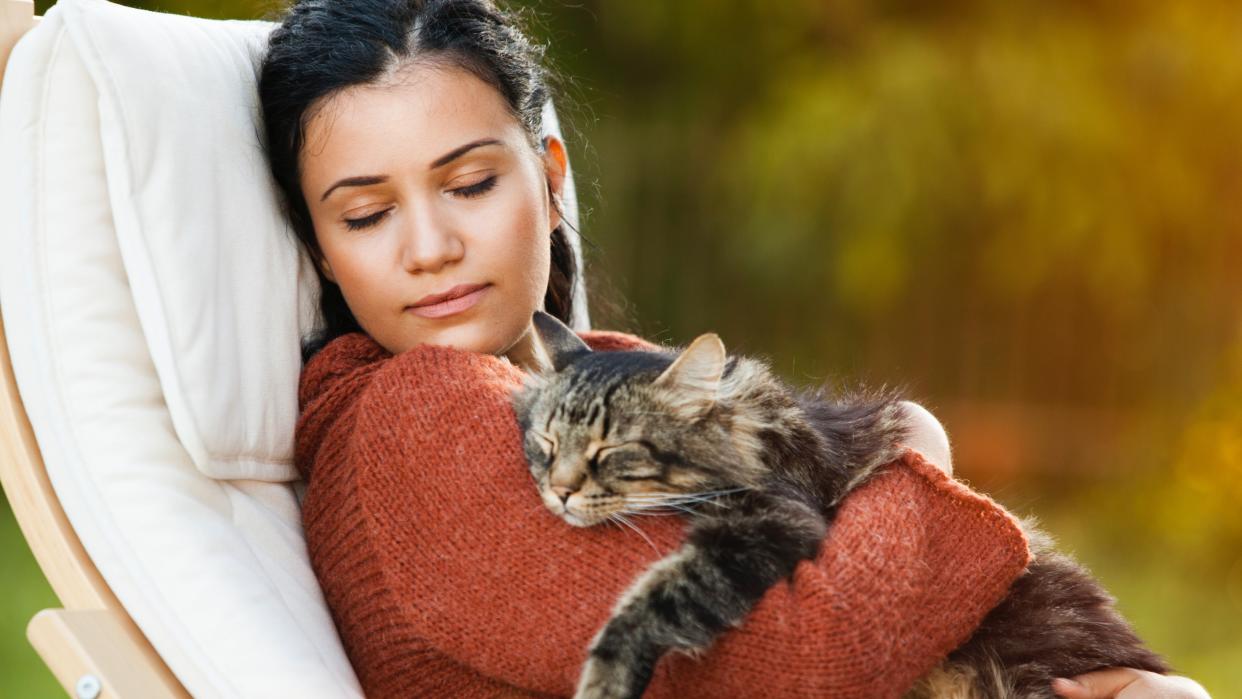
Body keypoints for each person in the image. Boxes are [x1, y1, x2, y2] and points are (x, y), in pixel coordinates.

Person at [259, 1, 1209, 697]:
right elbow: (807, 654)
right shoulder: (412, 413)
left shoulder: (587, 363)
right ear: (321, 251)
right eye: (369, 212)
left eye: (467, 184)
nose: (430, 247)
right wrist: (914, 445)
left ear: (550, 182)